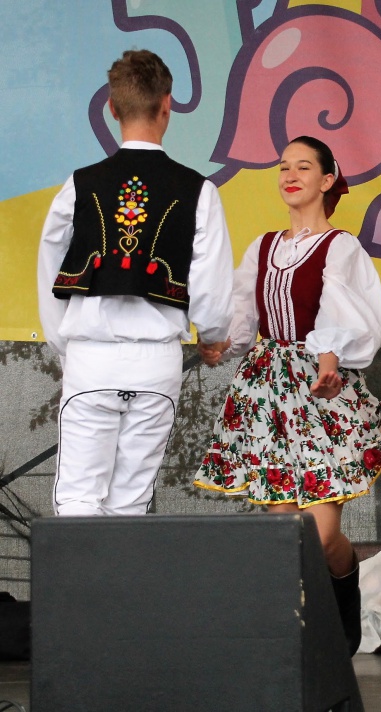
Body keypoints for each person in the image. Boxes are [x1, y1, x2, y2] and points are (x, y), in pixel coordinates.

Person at [194, 135, 381, 657]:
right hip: (270, 393)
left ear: (327, 180)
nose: (290, 176)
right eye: (283, 167)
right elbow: (243, 314)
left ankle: (344, 587)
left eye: (303, 167)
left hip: (321, 395)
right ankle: (307, 644)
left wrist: (327, 364)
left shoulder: (340, 246)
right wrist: (221, 344)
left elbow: (342, 312)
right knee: (286, 537)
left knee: (319, 537)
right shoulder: (262, 246)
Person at [37, 49, 234, 517]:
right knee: (129, 504)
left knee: (79, 498)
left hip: (91, 358)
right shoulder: (199, 190)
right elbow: (211, 284)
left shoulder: (79, 185)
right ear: (168, 105)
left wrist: (65, 342)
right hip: (156, 365)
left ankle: (81, 572)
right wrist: (211, 336)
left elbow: (51, 265)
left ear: (112, 107)